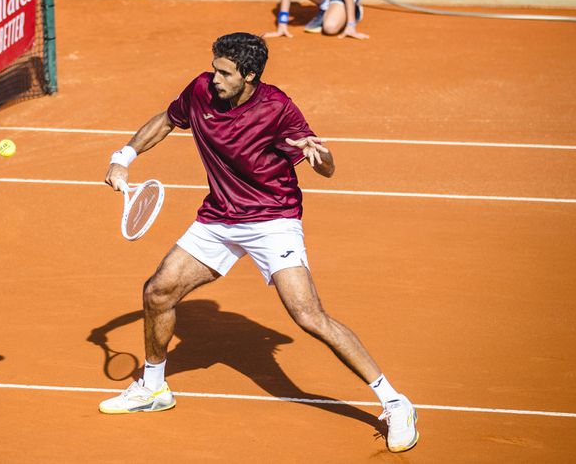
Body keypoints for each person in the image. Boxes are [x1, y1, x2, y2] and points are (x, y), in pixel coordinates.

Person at [99, 33, 417, 452]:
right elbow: (167, 119)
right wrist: (123, 158)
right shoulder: (200, 90)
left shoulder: (277, 108)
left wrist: (320, 156)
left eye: (225, 72)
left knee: (308, 315)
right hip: (219, 217)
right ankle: (154, 390)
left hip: (272, 219)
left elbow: (325, 168)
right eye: (215, 68)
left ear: (249, 75)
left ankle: (395, 403)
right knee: (158, 292)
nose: (214, 78)